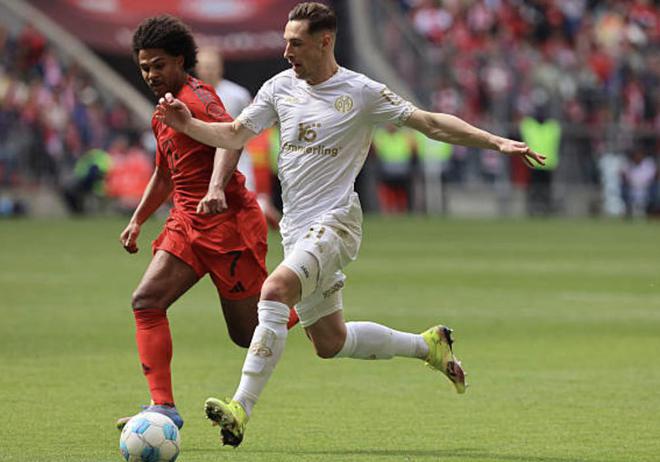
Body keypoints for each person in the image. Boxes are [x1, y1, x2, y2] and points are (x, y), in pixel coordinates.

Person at [156, 2, 546, 446]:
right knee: (331, 342)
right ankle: (428, 346)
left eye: (296, 43)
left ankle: (240, 408)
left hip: (336, 223)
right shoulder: (279, 87)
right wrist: (188, 124)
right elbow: (232, 135)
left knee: (275, 290)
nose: (286, 52)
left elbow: (430, 123)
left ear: (325, 41)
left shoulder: (361, 92)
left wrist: (496, 142)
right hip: (298, 229)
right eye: (285, 42)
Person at [117, 15, 297, 431]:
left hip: (227, 225)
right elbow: (164, 173)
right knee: (146, 301)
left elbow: (230, 139)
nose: (150, 74)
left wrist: (216, 187)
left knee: (247, 334)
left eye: (158, 65)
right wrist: (138, 220)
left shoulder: (198, 99)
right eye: (144, 67)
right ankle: (163, 406)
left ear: (181, 61)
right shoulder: (165, 110)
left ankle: (305, 310)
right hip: (187, 222)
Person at [196, 47, 282, 229]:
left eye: (212, 66)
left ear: (220, 67)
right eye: (205, 66)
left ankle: (258, 215)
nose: (208, 71)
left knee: (243, 202)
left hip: (237, 158)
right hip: (204, 160)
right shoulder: (190, 95)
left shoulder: (237, 94)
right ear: (197, 68)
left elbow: (255, 122)